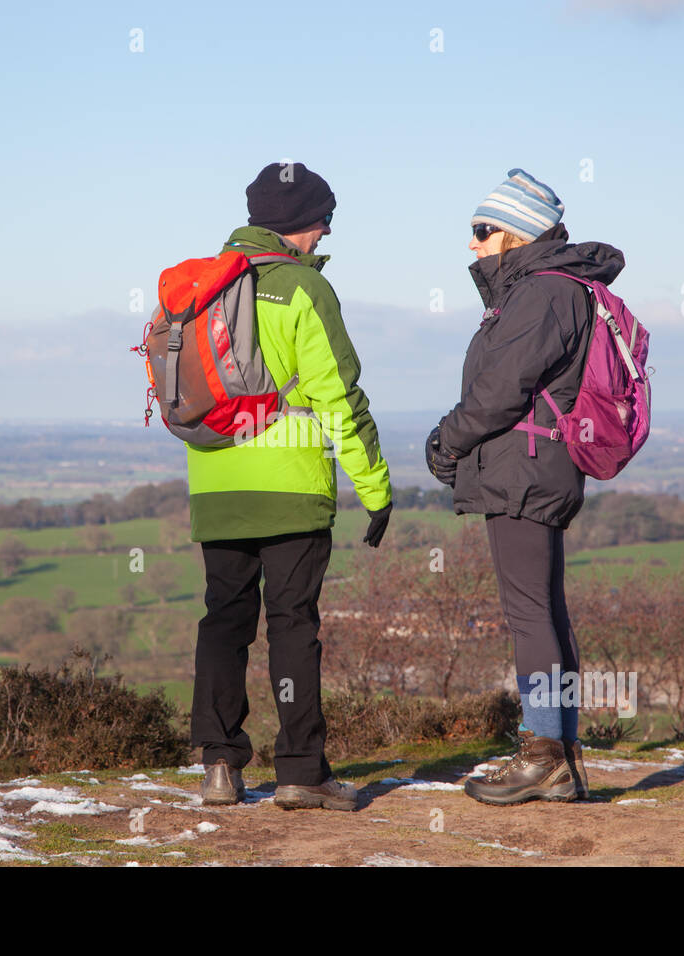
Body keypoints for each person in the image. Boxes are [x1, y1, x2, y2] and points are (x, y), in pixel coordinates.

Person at [190, 161, 393, 811]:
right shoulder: (304, 289)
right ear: (301, 225)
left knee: (224, 620)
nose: (325, 236)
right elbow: (340, 395)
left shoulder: (203, 286)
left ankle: (220, 766)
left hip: (216, 482)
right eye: (323, 222)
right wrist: (375, 489)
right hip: (291, 483)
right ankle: (302, 772)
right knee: (292, 625)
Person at [426, 168, 624, 805]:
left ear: (516, 235)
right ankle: (560, 755)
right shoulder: (554, 289)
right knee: (547, 613)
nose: (473, 243)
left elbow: (500, 390)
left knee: (530, 615)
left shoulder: (541, 293)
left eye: (483, 230)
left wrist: (446, 441)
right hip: (539, 463)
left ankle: (544, 756)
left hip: (524, 466)